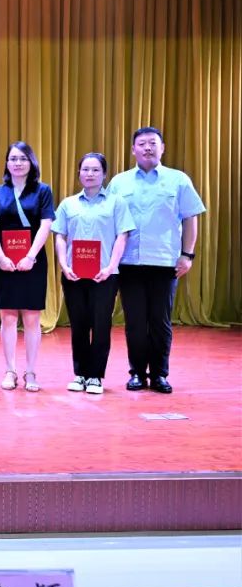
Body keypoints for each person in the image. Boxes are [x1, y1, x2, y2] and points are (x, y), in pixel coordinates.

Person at [111, 126, 206, 394]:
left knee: (160, 322)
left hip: (165, 262)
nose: (147, 148)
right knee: (135, 322)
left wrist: (187, 254)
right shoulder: (119, 182)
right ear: (133, 150)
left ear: (162, 148)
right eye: (142, 144)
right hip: (129, 262)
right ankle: (137, 373)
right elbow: (111, 220)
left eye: (153, 143)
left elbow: (190, 218)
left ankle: (160, 374)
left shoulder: (178, 180)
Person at [52, 153, 135, 395]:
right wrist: (63, 265)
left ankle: (96, 376)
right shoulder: (68, 204)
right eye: (85, 169)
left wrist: (110, 267)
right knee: (78, 324)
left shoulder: (116, 203)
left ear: (104, 174)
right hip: (73, 275)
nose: (90, 174)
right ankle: (80, 373)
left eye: (96, 170)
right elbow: (60, 236)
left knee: (100, 324)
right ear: (78, 173)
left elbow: (122, 236)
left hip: (104, 275)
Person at [0, 142, 55, 392]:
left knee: (32, 317)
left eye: (23, 158)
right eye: (13, 159)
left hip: (33, 261)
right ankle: (10, 371)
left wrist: (30, 256)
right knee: (7, 317)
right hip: (4, 261)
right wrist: (0, 256)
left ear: (31, 162)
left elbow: (46, 224)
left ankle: (31, 372)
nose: (18, 163)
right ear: (7, 163)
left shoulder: (42, 191)